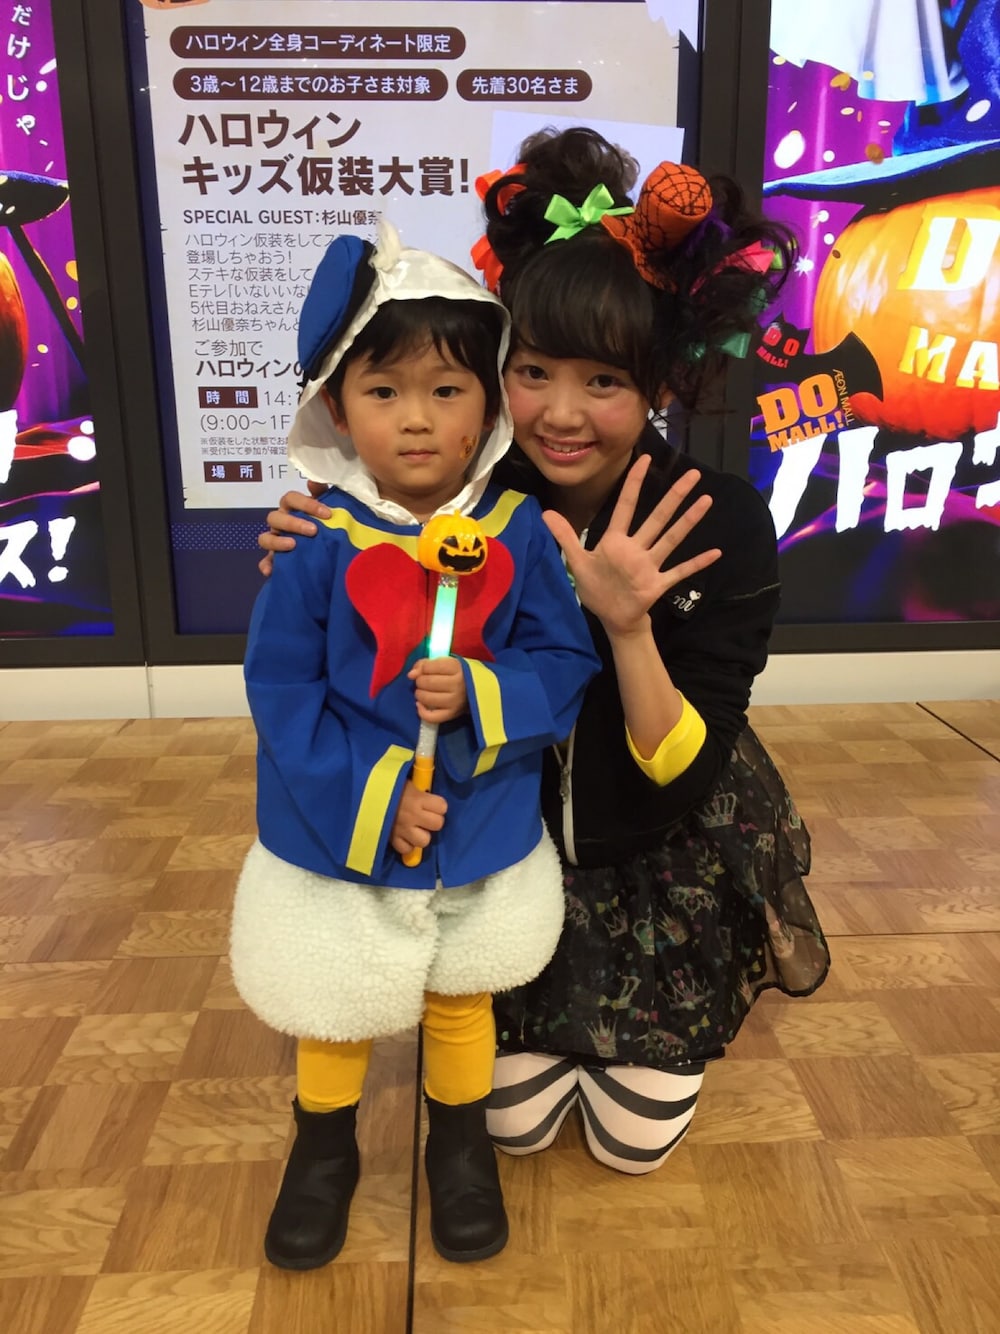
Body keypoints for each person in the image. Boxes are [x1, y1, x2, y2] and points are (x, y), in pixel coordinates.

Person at [259, 127, 830, 1181]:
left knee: (630, 1145)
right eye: (531, 372)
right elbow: (363, 560)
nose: (560, 414)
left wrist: (626, 627)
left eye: (604, 379)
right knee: (510, 1125)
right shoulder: (475, 493)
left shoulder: (717, 519)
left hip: (647, 837)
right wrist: (317, 534)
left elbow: (678, 766)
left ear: (658, 383)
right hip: (502, 836)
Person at [231, 219, 603, 1271]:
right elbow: (282, 690)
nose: (415, 419)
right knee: (333, 999)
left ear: (488, 405)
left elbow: (563, 661)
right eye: (383, 390)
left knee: (461, 990)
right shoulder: (317, 538)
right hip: (339, 819)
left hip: (477, 815)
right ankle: (323, 1147)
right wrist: (377, 794)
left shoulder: (518, 531)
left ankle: (459, 1145)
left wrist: (484, 691)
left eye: (446, 390)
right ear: (336, 408)